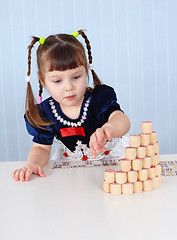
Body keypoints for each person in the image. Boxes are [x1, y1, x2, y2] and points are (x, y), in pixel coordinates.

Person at [13, 30, 130, 182]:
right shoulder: (45, 113)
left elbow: (121, 120)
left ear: (86, 71)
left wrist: (109, 129)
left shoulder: (98, 100)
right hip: (74, 170)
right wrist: (33, 163)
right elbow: (41, 148)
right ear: (42, 80)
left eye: (76, 77)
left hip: (113, 163)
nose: (68, 87)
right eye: (57, 81)